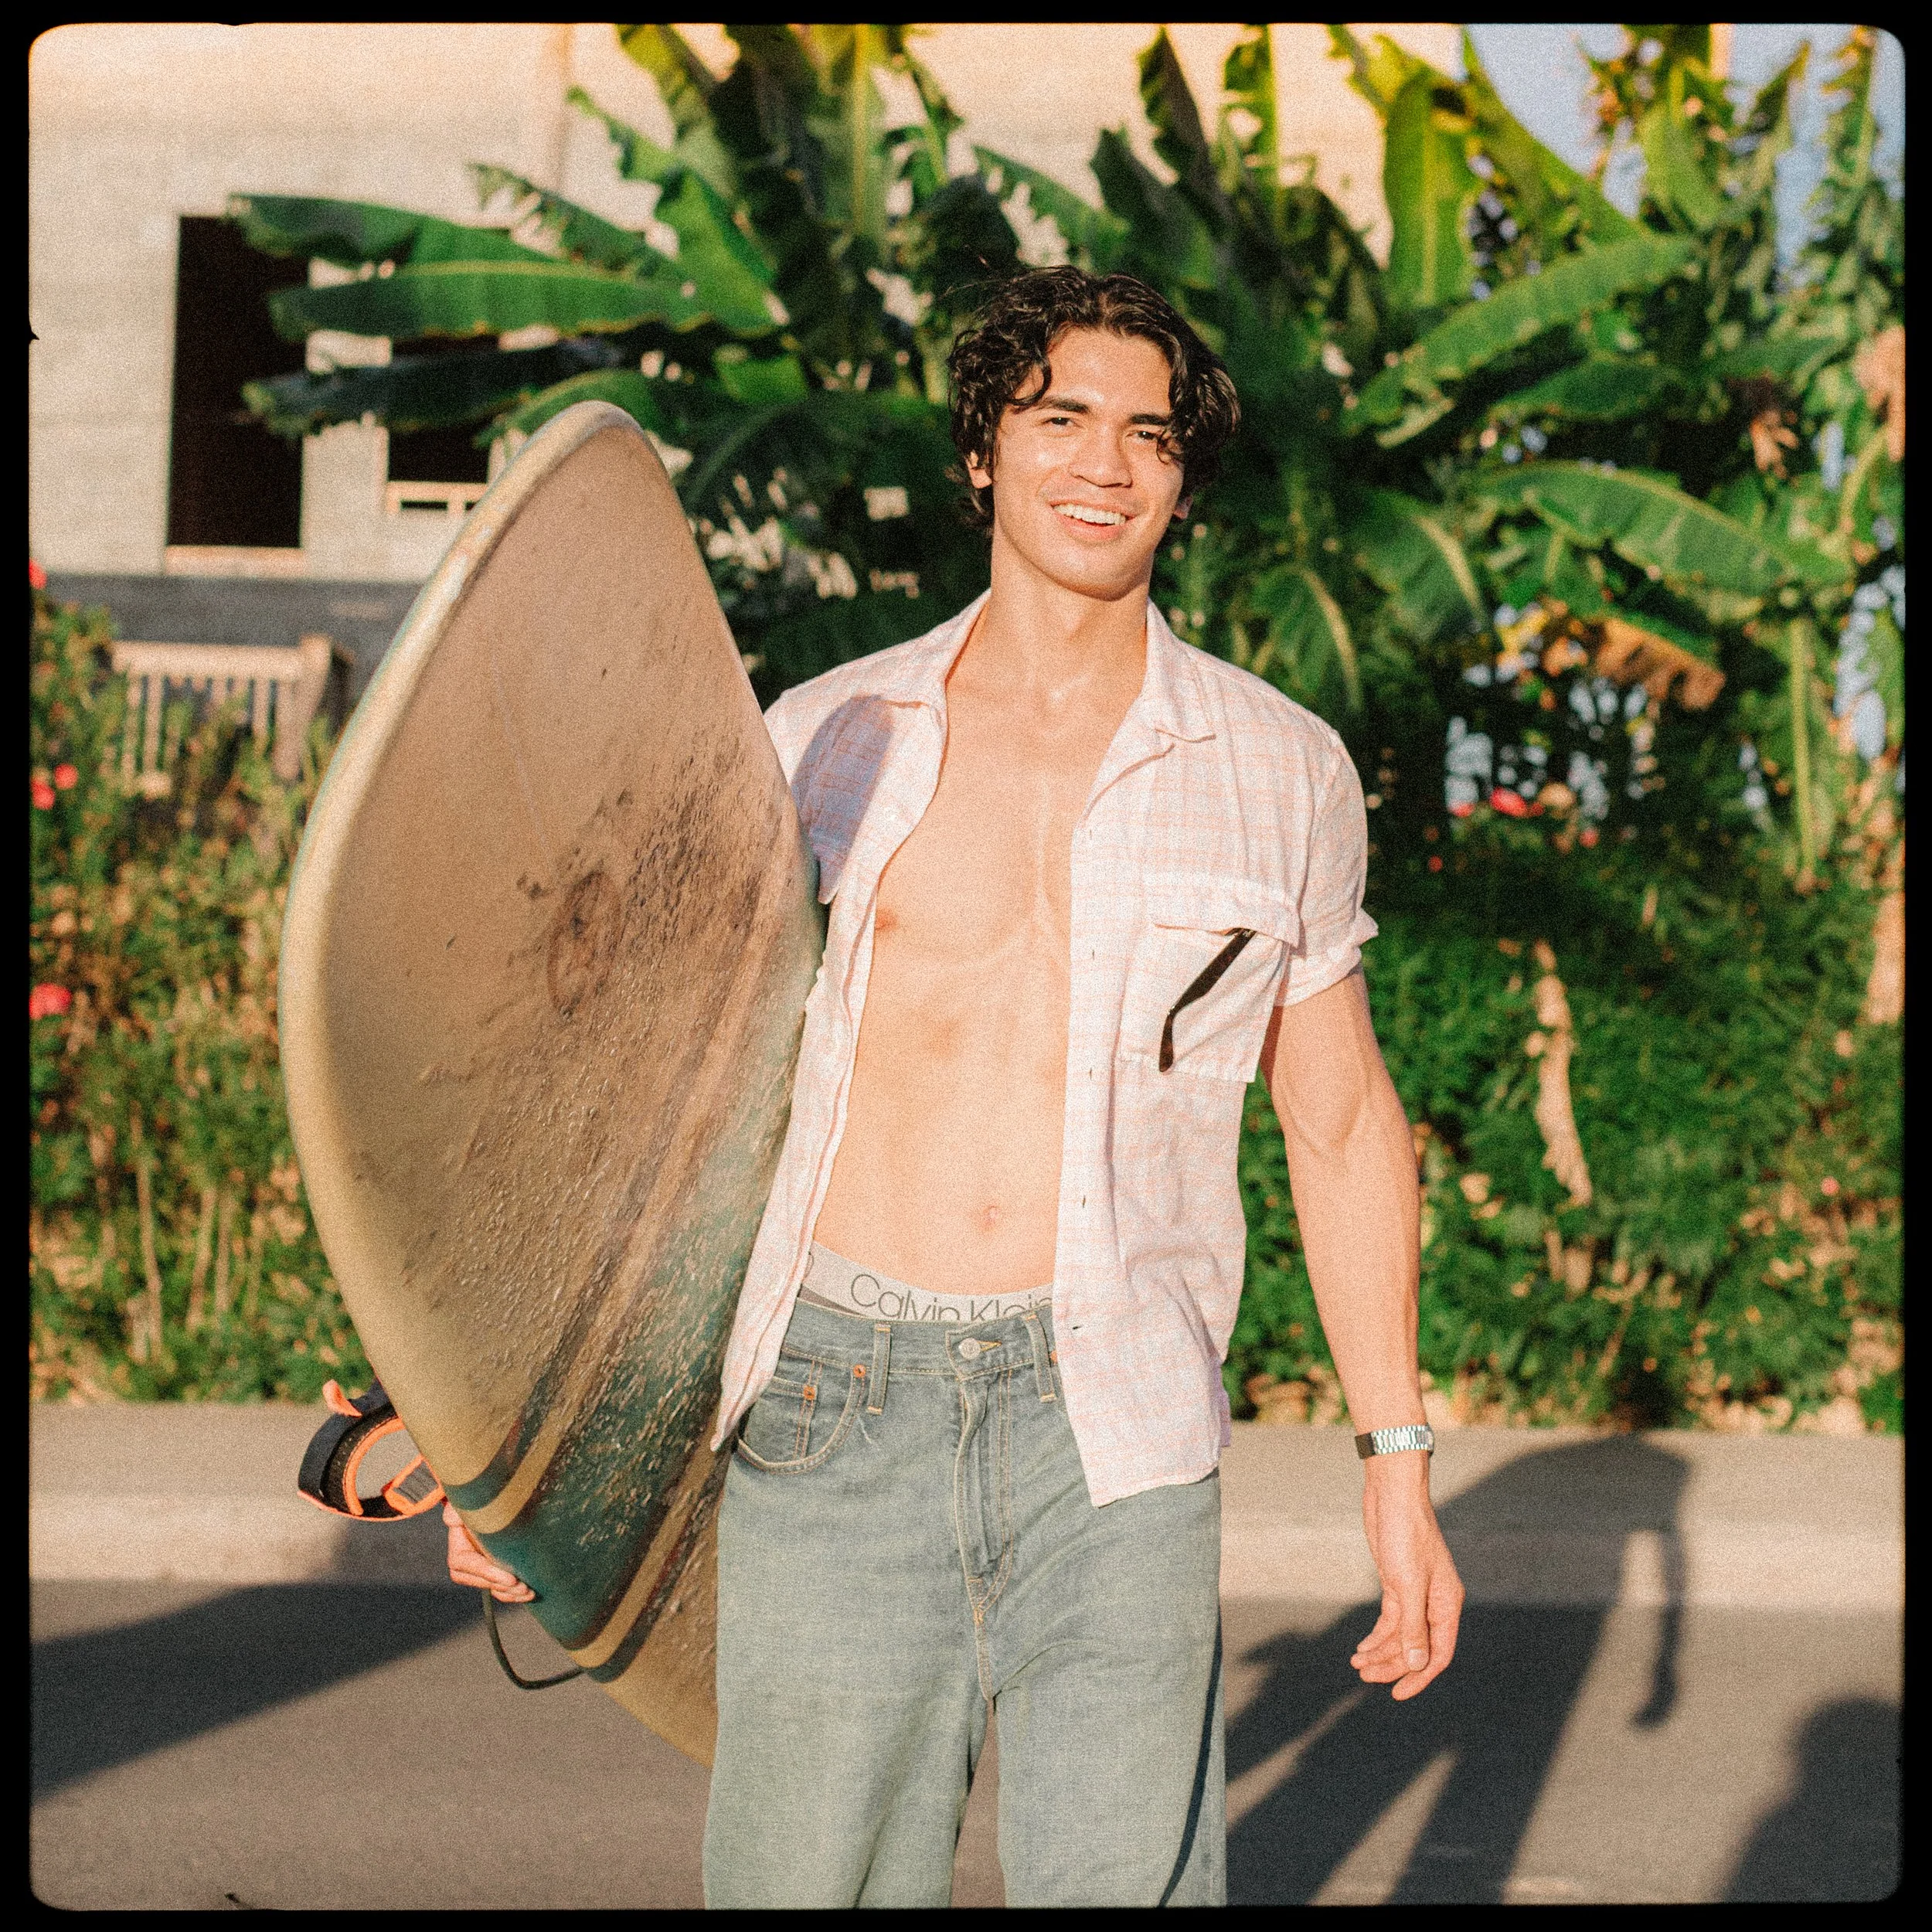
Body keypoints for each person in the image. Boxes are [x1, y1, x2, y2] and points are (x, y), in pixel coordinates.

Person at [447, 267, 1464, 1907]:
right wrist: (510, 1424)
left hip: (1113, 1414)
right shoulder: (822, 737)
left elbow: (1337, 1122)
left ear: (1184, 479)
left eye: (1148, 435)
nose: (1104, 464)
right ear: (983, 452)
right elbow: (652, 1103)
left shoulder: (1281, 767)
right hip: (833, 1399)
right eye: (1059, 418)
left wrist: (1395, 1462)